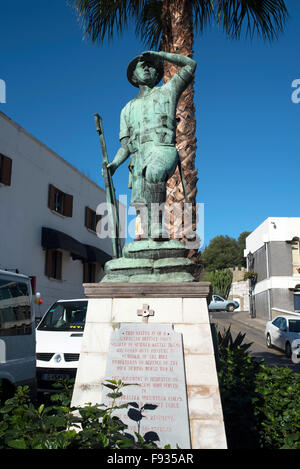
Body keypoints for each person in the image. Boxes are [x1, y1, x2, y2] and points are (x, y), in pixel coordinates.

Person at [108, 50, 196, 239]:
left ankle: (157, 227)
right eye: (143, 65)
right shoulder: (127, 109)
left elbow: (190, 65)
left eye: (151, 65)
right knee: (141, 205)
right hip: (139, 156)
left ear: (157, 73)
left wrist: (160, 55)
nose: (147, 68)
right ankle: (147, 239)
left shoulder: (168, 91)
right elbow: (126, 147)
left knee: (154, 172)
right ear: (134, 76)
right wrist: (114, 165)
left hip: (162, 148)